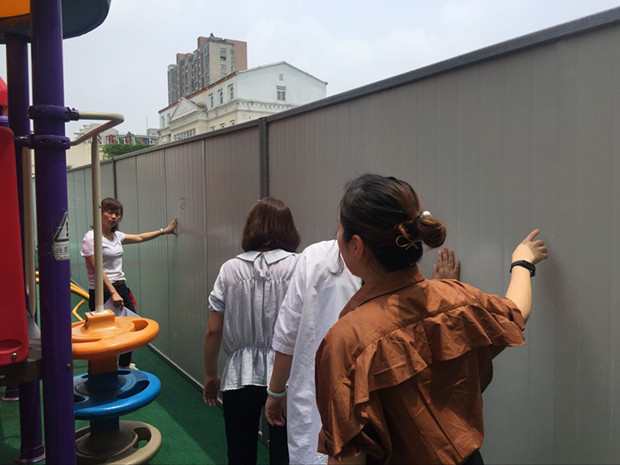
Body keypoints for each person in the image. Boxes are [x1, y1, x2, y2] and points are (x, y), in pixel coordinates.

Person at [315, 174, 548, 465]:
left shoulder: (347, 339)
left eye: (339, 232)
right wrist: (522, 261)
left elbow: (350, 454)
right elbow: (515, 312)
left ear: (356, 246)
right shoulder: (455, 298)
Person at [265, 242, 460, 465]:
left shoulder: (314, 258)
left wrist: (276, 391)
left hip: (324, 413)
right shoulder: (399, 268)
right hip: (380, 423)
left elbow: (287, 336)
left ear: (356, 244)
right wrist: (444, 296)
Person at [203, 197, 301, 465]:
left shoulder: (229, 269)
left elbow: (213, 330)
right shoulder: (299, 265)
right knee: (284, 454)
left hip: (239, 375)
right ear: (288, 228)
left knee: (240, 453)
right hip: (287, 375)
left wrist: (211, 374)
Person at [80, 197, 178, 369]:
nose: (114, 217)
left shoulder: (116, 236)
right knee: (104, 332)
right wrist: (113, 292)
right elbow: (97, 269)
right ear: (100, 213)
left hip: (121, 287)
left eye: (117, 214)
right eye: (110, 212)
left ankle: (124, 365)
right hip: (103, 291)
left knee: (132, 326)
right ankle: (104, 369)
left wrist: (164, 231)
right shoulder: (91, 237)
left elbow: (140, 237)